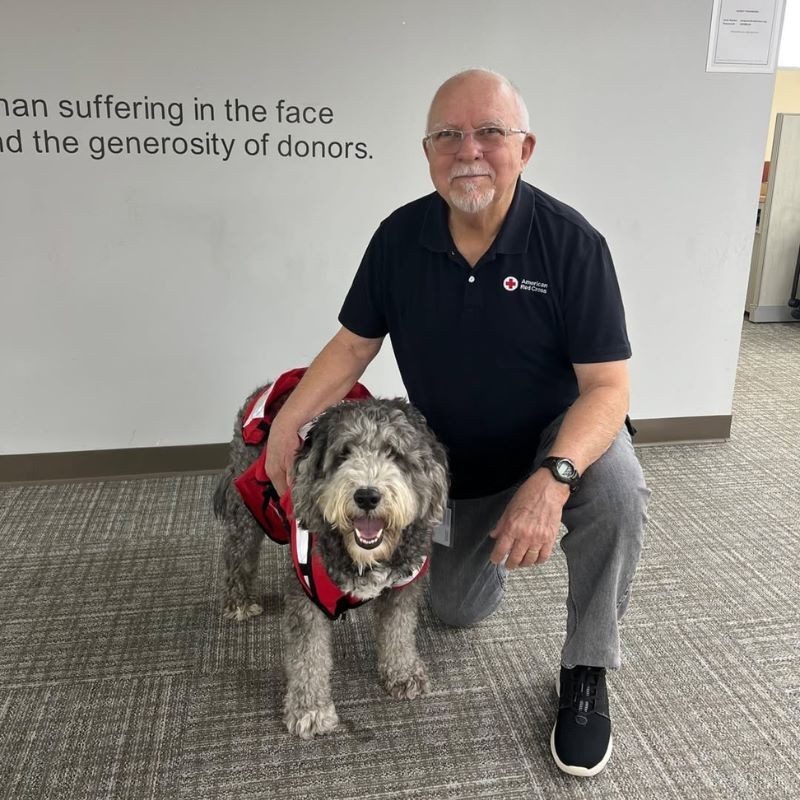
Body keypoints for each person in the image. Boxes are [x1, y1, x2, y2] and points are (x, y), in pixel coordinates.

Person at [265, 68, 649, 777]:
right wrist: (289, 422)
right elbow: (352, 346)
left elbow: (608, 389)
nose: (468, 149)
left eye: (489, 133)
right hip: (447, 464)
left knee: (618, 488)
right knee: (455, 611)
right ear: (428, 151)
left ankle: (587, 670)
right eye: (449, 135)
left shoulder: (571, 244)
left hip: (550, 442)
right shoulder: (399, 239)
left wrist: (555, 479)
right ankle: (492, 543)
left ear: (525, 148)